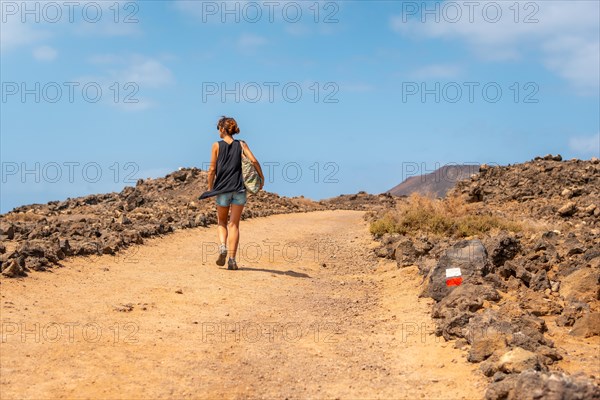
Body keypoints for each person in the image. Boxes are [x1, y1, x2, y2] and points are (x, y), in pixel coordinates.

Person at [198, 116, 264, 270]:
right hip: (239, 189)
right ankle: (232, 260)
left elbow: (212, 170)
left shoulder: (216, 146)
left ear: (222, 129)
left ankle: (222, 247)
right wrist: (261, 177)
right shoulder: (241, 144)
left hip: (222, 189)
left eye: (218, 129)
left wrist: (210, 189)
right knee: (234, 224)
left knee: (222, 222)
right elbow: (254, 161)